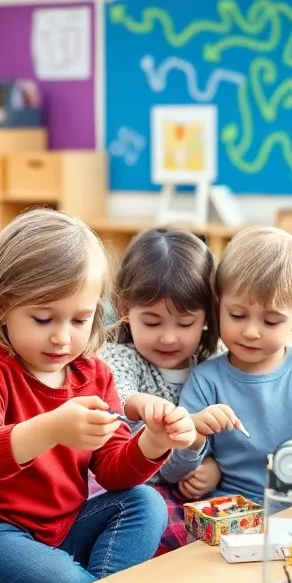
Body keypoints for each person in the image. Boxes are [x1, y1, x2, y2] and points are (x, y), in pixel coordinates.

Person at [0, 209, 195, 583]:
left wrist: (153, 440)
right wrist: (51, 428)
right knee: (66, 582)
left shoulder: (94, 374)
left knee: (146, 503)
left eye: (80, 319)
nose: (61, 337)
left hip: (62, 531)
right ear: (2, 306)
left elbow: (112, 470)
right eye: (42, 318)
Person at [163, 227, 292, 503]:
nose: (251, 332)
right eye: (237, 315)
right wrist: (194, 436)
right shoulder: (206, 379)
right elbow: (172, 471)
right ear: (218, 305)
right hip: (236, 510)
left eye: (271, 321)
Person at [100, 227, 220, 550]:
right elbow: (116, 394)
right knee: (171, 539)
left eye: (184, 324)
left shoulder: (213, 360)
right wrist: (147, 406)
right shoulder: (119, 356)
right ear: (125, 310)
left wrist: (213, 467)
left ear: (207, 316)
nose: (168, 337)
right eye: (152, 323)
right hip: (139, 490)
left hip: (194, 488)